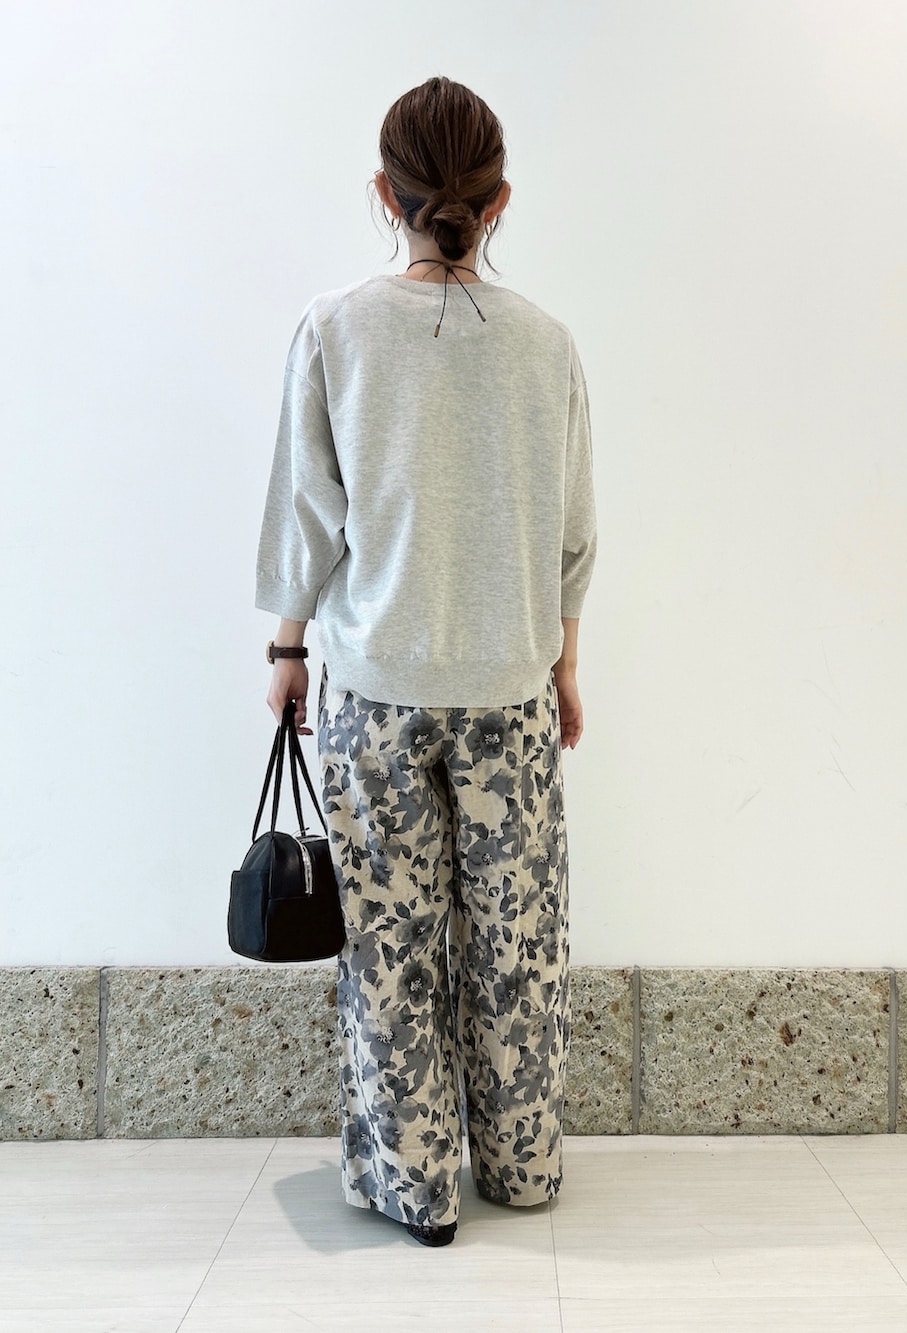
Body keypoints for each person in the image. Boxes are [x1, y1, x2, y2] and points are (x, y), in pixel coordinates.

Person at [255, 76, 596, 1247]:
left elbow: (307, 516)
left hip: (376, 694)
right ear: (498, 201)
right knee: (518, 949)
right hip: (508, 692)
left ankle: (416, 1190)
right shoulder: (547, 343)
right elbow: (572, 537)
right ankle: (523, 1169)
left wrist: (287, 647)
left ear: (383, 192)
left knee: (391, 951)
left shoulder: (334, 328)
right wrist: (564, 668)